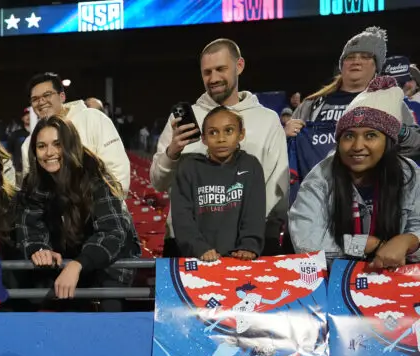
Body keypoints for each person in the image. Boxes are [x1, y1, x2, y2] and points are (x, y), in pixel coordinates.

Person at [151, 38, 287, 256]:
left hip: (251, 244)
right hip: (186, 245)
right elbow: (158, 183)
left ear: (239, 66)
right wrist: (172, 153)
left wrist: (250, 237)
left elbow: (277, 189)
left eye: (220, 69)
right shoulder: (182, 121)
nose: (213, 78)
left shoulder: (267, 120)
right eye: (207, 72)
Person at [289, 76, 420, 266]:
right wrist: (367, 245)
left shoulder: (410, 174)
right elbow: (307, 244)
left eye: (371, 135)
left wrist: (409, 241)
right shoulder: (320, 178)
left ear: (388, 142)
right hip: (335, 281)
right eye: (349, 136)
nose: (358, 146)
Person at [15, 115, 140, 311]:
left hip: (109, 264)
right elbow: (28, 226)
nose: (49, 153)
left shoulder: (95, 176)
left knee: (107, 312)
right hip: (68, 262)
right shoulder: (34, 183)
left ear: (70, 145)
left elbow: (112, 232)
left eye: (57, 144)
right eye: (41, 146)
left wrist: (79, 264)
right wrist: (39, 249)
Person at [285, 27, 420, 156]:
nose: (356, 61)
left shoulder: (390, 102)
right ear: (342, 65)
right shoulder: (311, 104)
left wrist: (400, 130)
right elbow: (286, 154)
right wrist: (285, 136)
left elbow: (417, 145)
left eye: (365, 57)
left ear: (376, 67)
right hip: (318, 179)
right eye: (350, 57)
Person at [171, 106, 266, 261]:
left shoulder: (251, 165)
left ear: (241, 134)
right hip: (199, 258)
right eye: (213, 132)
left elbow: (255, 212)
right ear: (203, 138)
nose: (221, 138)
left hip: (241, 258)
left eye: (228, 130)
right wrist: (198, 247)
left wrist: (249, 245)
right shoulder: (188, 167)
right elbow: (182, 217)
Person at [20, 72, 130, 195]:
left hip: (101, 209)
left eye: (47, 95)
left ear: (62, 96)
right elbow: (32, 187)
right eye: (35, 99)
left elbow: (117, 169)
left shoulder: (92, 118)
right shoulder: (28, 144)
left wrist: (107, 206)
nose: (41, 102)